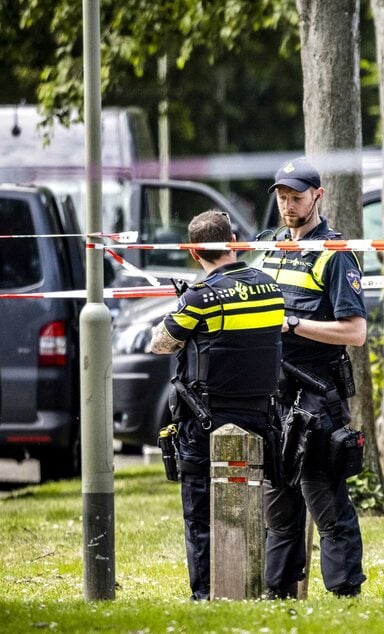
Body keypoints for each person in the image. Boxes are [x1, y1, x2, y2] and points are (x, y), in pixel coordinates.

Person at [148, 209, 284, 600]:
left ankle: (206, 594)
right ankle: (256, 585)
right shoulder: (268, 286)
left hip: (207, 421)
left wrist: (181, 306)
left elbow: (161, 344)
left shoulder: (199, 297)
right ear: (232, 240)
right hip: (262, 416)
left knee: (201, 514)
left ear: (194, 251)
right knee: (260, 507)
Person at [260, 157, 368, 599]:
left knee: (325, 500)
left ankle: (345, 593)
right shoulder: (267, 247)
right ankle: (278, 591)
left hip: (317, 396)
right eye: (282, 198)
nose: (287, 206)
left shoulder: (335, 254)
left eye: (296, 198)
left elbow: (355, 333)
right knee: (278, 505)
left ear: (318, 196)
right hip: (274, 394)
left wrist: (292, 325)